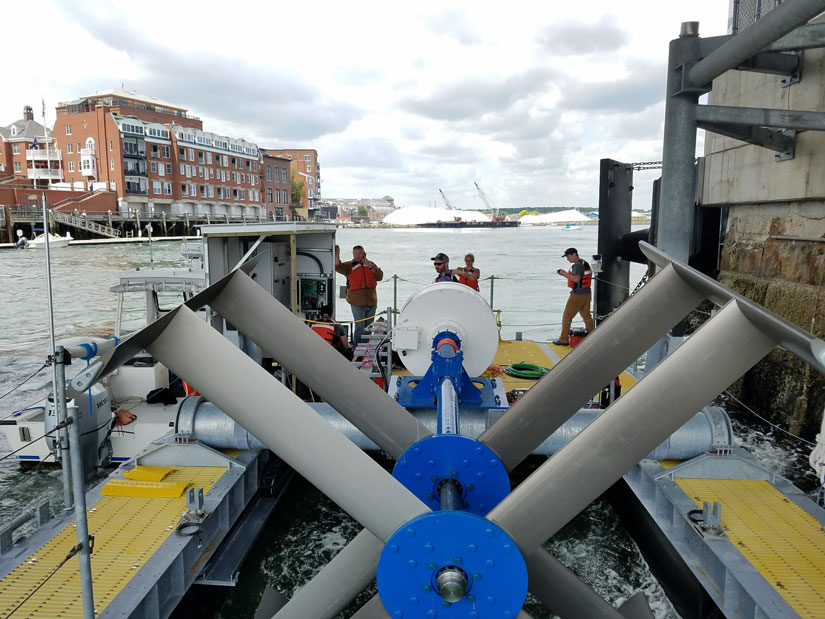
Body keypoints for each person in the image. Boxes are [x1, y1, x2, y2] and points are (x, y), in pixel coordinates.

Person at [335, 244, 383, 345]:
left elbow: (380, 277)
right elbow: (338, 267)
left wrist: (371, 266)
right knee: (359, 327)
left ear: (364, 253)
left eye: (359, 253)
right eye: (355, 254)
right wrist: (337, 254)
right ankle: (357, 349)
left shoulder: (371, 264)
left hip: (371, 302)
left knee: (369, 328)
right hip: (356, 303)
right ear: (353, 254)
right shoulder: (349, 266)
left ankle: (366, 349)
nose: (357, 255)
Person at [553, 247, 595, 346]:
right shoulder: (583, 262)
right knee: (586, 315)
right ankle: (593, 335)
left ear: (574, 254)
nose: (567, 259)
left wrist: (564, 273)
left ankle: (563, 340)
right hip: (587, 293)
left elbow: (576, 279)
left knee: (567, 316)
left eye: (568, 257)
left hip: (578, 294)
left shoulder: (577, 265)